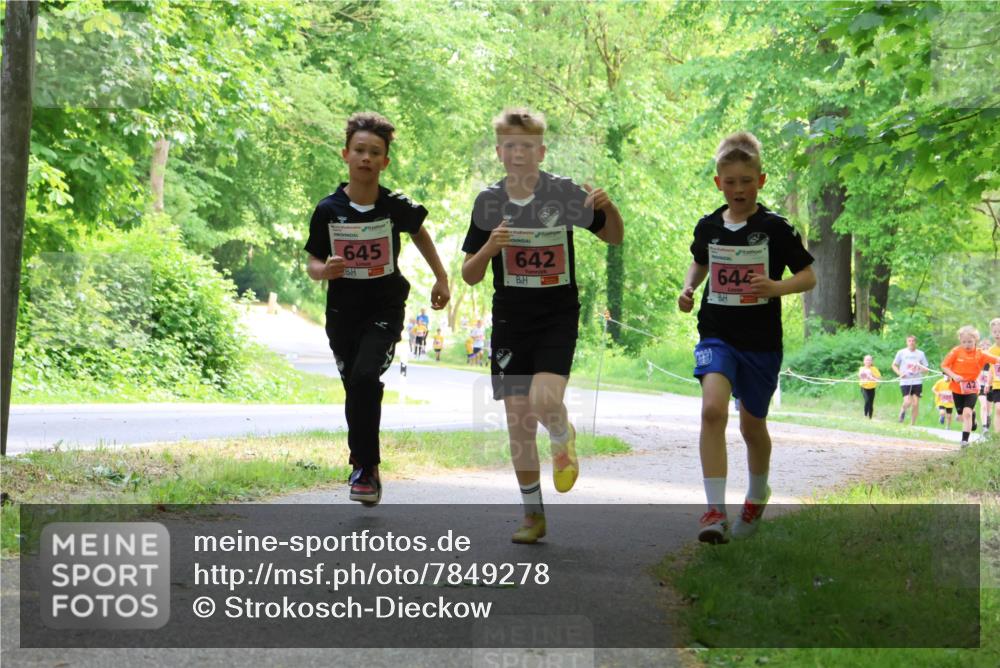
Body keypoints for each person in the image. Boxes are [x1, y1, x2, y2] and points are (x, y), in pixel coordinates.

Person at [461, 108, 623, 544]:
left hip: (556, 315)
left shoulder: (563, 194)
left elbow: (614, 237)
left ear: (541, 150)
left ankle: (561, 430)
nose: (518, 153)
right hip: (511, 322)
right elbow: (470, 274)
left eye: (527, 146)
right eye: (510, 146)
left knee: (544, 398)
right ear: (499, 151)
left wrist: (611, 210)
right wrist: (491, 247)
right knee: (518, 420)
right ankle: (533, 514)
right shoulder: (488, 203)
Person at [677, 131, 816, 544]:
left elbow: (809, 276)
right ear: (719, 182)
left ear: (761, 180)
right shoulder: (708, 226)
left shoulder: (776, 228)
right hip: (716, 334)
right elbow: (699, 263)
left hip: (760, 343)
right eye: (731, 181)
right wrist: (687, 289)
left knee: (752, 426)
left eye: (747, 181)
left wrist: (776, 288)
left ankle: (757, 494)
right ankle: (714, 511)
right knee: (712, 412)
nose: (739, 189)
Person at [304, 112, 450, 506]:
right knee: (356, 384)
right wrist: (326, 270)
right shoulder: (328, 209)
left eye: (375, 152)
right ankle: (362, 460)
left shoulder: (394, 206)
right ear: (346, 155)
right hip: (342, 315)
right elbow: (313, 262)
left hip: (384, 308)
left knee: (366, 376)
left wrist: (441, 277)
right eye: (359, 150)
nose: (366, 158)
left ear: (385, 161)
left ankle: (365, 468)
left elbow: (420, 232)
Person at [940, 325, 999, 448]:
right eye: (964, 342)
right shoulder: (956, 351)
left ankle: (964, 441)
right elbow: (944, 366)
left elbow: (997, 360)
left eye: (970, 342)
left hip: (972, 388)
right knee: (962, 414)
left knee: (966, 413)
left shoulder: (980, 354)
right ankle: (973, 417)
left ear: (975, 340)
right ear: (960, 341)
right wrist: (954, 375)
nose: (967, 344)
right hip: (957, 388)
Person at [891, 335, 931, 425]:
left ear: (916, 343)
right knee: (907, 402)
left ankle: (912, 424)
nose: (911, 342)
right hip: (905, 381)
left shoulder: (920, 354)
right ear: (907, 342)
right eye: (909, 341)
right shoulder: (901, 352)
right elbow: (894, 365)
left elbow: (926, 368)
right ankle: (903, 411)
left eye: (913, 341)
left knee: (915, 404)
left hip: (917, 381)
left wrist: (920, 369)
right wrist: (900, 374)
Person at [858, 355, 881, 419]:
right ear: (864, 361)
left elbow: (879, 378)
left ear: (872, 361)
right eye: (866, 360)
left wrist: (872, 375)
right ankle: (865, 415)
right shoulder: (861, 368)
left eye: (869, 360)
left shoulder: (874, 369)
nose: (868, 361)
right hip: (864, 387)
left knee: (871, 403)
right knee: (867, 401)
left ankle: (870, 417)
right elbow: (860, 376)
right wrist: (864, 374)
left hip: (872, 388)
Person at [988, 318, 1000, 434]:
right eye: (995, 332)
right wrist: (988, 384)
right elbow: (991, 370)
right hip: (997, 384)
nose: (997, 334)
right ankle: (997, 437)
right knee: (998, 409)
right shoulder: (991, 350)